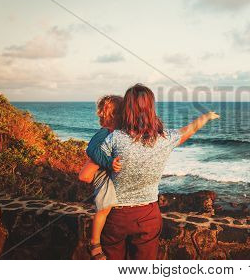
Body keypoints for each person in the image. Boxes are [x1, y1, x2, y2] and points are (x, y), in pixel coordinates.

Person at [89, 83, 219, 259]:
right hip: (148, 215)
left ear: (126, 109)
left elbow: (87, 173)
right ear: (151, 108)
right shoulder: (164, 138)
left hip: (116, 216)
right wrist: (205, 117)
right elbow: (188, 130)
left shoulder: (114, 138)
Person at [78, 95, 123, 260]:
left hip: (105, 172)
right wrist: (109, 162)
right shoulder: (105, 132)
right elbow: (91, 150)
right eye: (119, 113)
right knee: (103, 209)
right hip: (102, 174)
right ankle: (95, 243)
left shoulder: (115, 132)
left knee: (107, 207)